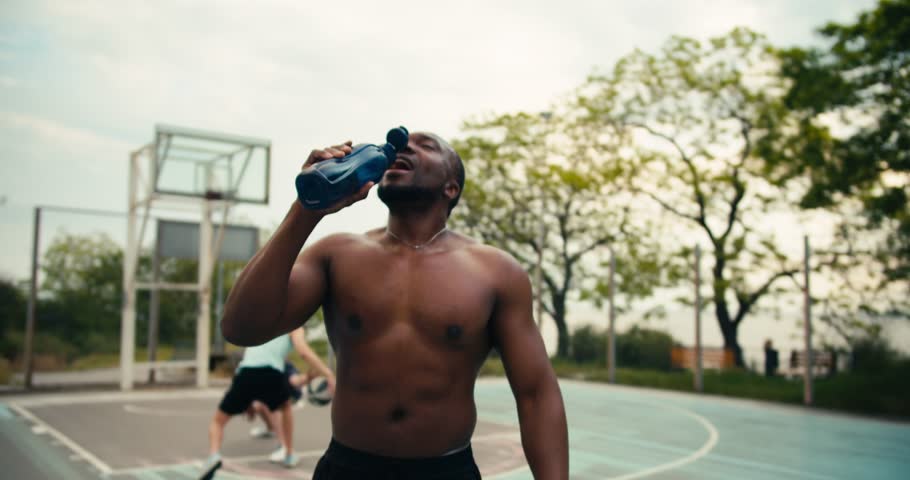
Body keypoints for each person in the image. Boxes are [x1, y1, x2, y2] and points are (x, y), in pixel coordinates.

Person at [222, 132, 569, 479]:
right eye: (401, 145)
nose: (403, 146)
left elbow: (535, 394)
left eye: (426, 146)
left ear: (451, 188)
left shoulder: (495, 272)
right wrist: (307, 206)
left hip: (447, 471)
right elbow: (241, 328)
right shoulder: (337, 254)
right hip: (348, 469)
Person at [199, 327, 335, 480]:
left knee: (218, 421)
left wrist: (247, 403)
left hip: (245, 372)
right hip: (271, 372)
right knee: (285, 407)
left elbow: (253, 359)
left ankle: (213, 456)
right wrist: (328, 373)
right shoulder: (294, 325)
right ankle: (289, 453)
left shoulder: (263, 324)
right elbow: (303, 352)